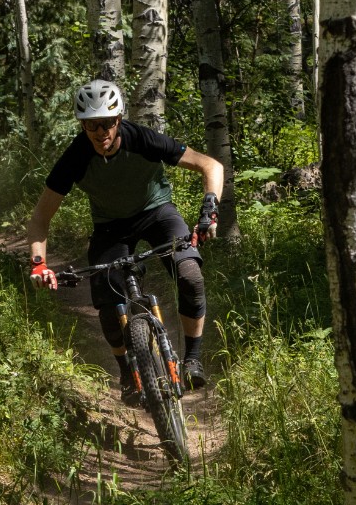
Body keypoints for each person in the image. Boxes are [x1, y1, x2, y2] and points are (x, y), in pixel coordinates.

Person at [24, 77, 224, 397]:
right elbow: (39, 220)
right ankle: (127, 373)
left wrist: (209, 211)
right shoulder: (75, 158)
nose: (101, 133)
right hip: (110, 227)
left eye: (107, 123)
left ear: (118, 120)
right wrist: (38, 263)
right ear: (83, 126)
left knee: (189, 275)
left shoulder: (142, 139)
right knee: (106, 302)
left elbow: (210, 166)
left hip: (158, 213)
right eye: (91, 126)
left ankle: (193, 360)